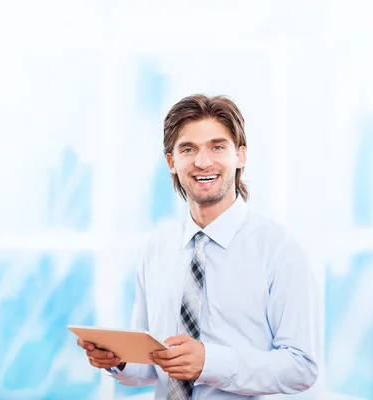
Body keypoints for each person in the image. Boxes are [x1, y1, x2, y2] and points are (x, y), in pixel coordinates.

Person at [77, 94, 320, 399]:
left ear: (240, 156)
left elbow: (301, 367)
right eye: (188, 149)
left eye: (217, 147)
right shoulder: (157, 248)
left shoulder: (280, 249)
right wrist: (120, 361)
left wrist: (210, 362)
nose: (203, 162)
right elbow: (152, 366)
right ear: (171, 162)